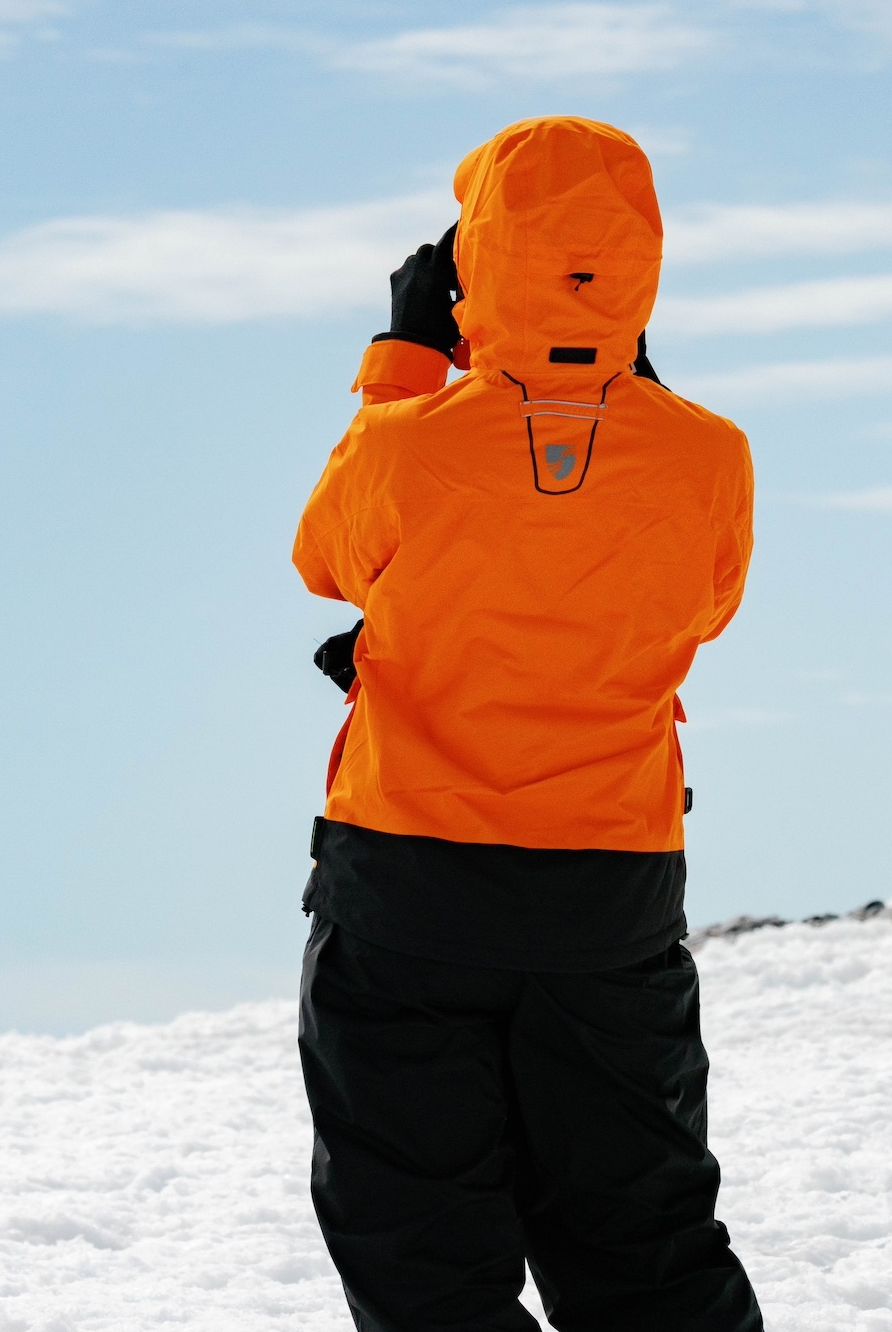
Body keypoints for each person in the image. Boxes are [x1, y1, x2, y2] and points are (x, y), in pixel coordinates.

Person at [290, 116, 763, 1331]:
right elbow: (704, 606)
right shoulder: (711, 458)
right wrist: (622, 374)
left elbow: (325, 560)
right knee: (646, 1242)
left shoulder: (408, 445)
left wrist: (404, 357)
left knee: (422, 1252)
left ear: (469, 265)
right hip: (609, 897)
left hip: (410, 891)